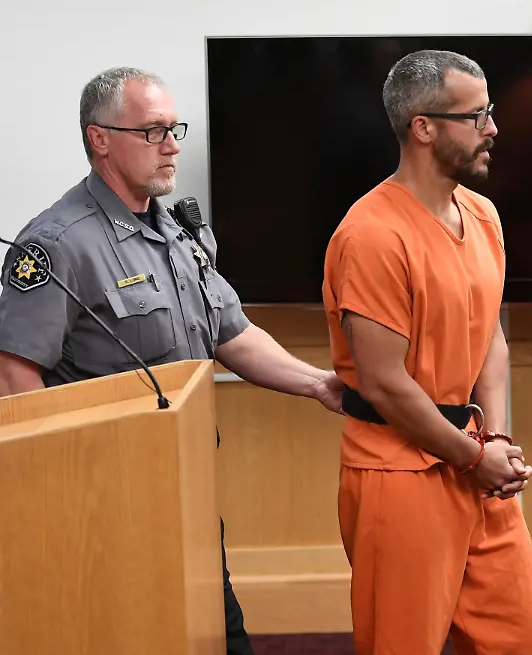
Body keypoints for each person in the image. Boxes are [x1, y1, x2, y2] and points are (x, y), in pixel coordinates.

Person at [0, 66, 346, 655]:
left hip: (183, 487)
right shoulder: (57, 244)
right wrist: (58, 494)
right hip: (105, 504)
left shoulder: (180, 230)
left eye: (174, 129)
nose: (174, 146)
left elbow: (230, 332)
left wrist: (318, 383)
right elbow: (14, 376)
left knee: (218, 636)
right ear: (100, 139)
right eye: (154, 132)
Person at [321, 50, 532, 655]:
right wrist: (474, 458)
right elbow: (384, 382)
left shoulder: (483, 214)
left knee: (520, 643)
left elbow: (490, 337)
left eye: (490, 112)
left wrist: (495, 441)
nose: (493, 129)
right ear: (423, 127)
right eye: (476, 116)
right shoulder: (371, 235)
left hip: (475, 463)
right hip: (398, 475)